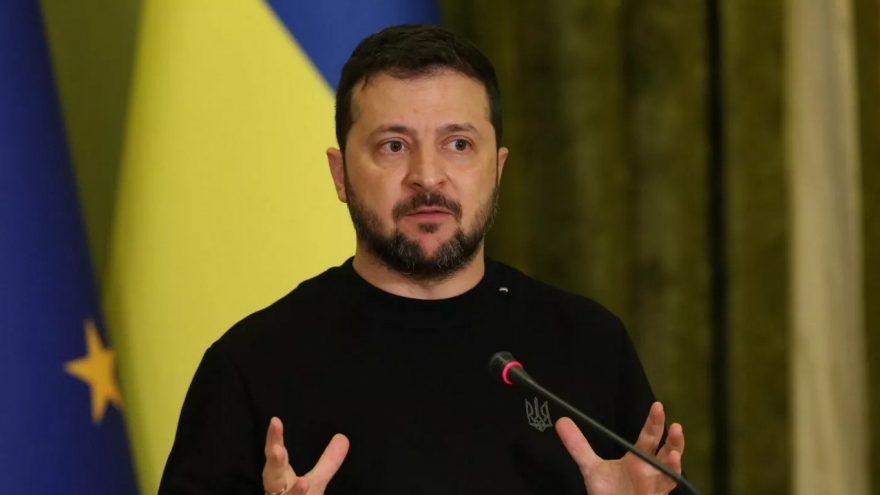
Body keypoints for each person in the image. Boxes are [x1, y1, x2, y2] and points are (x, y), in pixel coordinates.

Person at [158, 24, 688, 495]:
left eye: (458, 144)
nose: (428, 176)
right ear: (341, 175)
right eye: (393, 146)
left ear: (498, 169)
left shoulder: (590, 346)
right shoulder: (251, 367)